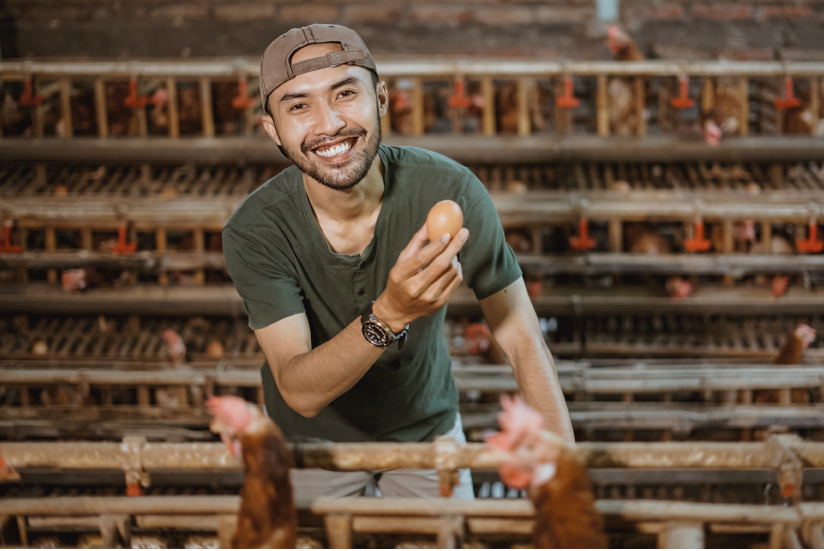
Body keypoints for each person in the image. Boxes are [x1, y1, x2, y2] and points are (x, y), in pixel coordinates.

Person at [222, 24, 572, 501]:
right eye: (299, 106)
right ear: (273, 131)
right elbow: (299, 391)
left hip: (424, 430)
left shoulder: (451, 190)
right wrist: (389, 314)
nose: (328, 124)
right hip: (309, 444)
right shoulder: (257, 229)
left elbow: (522, 339)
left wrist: (563, 484)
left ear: (381, 99)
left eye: (345, 94)